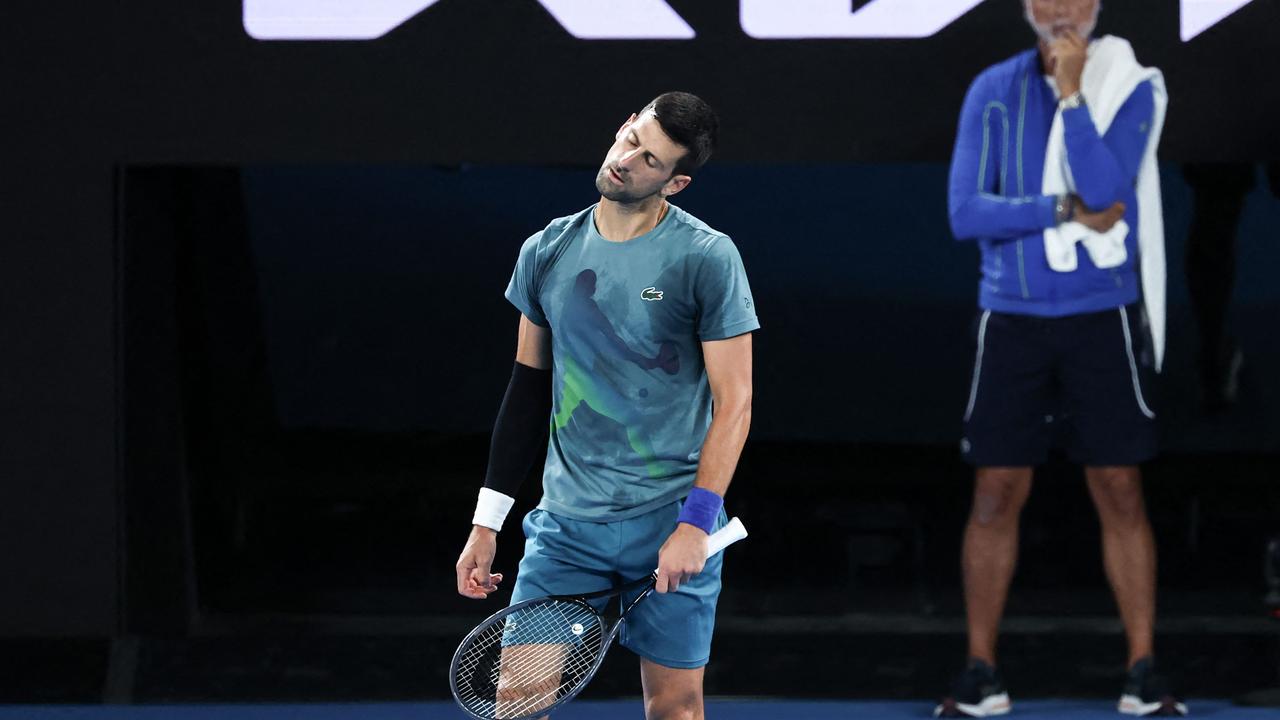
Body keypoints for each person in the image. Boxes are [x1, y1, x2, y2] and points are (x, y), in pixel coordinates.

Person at [454, 91, 758, 720]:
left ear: (675, 183)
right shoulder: (547, 249)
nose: (625, 160)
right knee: (517, 704)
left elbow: (736, 404)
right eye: (629, 138)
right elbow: (527, 390)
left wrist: (695, 525)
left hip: (670, 524)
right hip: (566, 531)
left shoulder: (706, 258)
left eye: (649, 160)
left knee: (675, 709)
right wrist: (488, 522)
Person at [938, 1, 1184, 716]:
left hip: (1099, 316)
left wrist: (1074, 95)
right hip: (1011, 317)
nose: (1060, 10)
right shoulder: (992, 88)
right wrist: (1060, 211)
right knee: (994, 493)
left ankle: (1144, 670)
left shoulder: (1129, 82)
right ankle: (980, 673)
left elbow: (1108, 189)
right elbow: (965, 213)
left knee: (1120, 489)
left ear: (1098, 4)